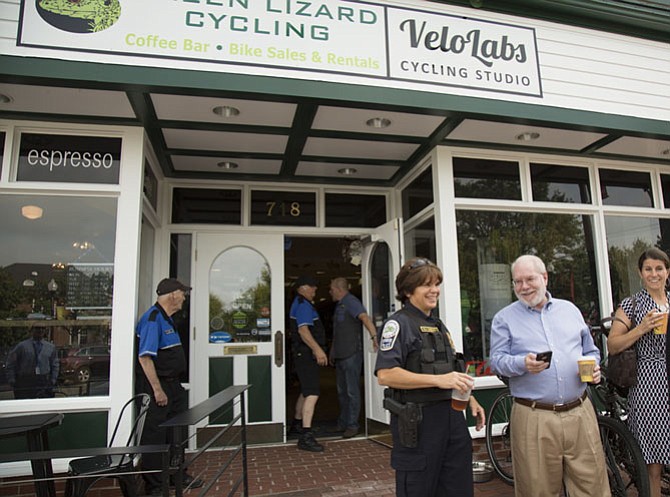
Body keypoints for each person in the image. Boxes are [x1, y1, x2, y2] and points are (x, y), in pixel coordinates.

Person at [489, 254, 610, 497]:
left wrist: (594, 367)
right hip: (534, 416)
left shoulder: (570, 310)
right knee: (538, 490)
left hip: (580, 412)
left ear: (544, 278)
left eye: (529, 279)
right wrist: (522, 363)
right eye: (517, 282)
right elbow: (497, 362)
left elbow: (590, 351)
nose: (524, 287)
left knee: (592, 486)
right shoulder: (504, 319)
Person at [374, 257, 485, 497]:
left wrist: (470, 398)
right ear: (406, 290)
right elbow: (385, 375)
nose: (435, 290)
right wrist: (439, 381)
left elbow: (450, 369)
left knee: (458, 488)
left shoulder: (438, 325)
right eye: (427, 285)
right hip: (419, 423)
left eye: (437, 284)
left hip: (452, 420)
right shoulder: (398, 325)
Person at [607, 247, 670, 497]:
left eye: (659, 268)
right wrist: (641, 328)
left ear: (667, 272)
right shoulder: (631, 305)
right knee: (652, 464)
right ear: (640, 273)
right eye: (648, 269)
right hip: (648, 384)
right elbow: (613, 345)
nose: (654, 274)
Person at [136, 278, 203, 496]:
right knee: (155, 436)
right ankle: (155, 485)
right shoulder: (153, 319)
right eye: (182, 293)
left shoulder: (168, 319)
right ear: (173, 294)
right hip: (159, 387)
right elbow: (145, 358)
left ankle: (177, 475)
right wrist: (157, 390)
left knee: (177, 433)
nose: (184, 297)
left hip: (174, 386)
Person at [328, 277, 378, 438]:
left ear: (338, 289)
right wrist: (332, 351)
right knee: (342, 392)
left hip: (351, 354)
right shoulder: (339, 305)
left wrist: (374, 337)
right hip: (341, 355)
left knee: (351, 391)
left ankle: (352, 425)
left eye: (331, 289)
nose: (330, 292)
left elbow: (364, 317)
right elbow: (338, 332)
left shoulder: (351, 301)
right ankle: (343, 422)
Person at [288, 275, 327, 452]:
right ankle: (306, 435)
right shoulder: (303, 305)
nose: (315, 290)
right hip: (305, 354)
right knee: (312, 392)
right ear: (302, 288)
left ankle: (297, 424)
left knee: (306, 390)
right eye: (312, 286)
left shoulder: (299, 303)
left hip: (300, 353)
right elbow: (303, 330)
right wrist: (318, 350)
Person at [6, 323, 59, 399]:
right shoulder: (22, 346)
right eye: (37, 328)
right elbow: (11, 363)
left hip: (43, 381)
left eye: (42, 328)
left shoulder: (50, 347)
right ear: (32, 330)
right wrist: (12, 379)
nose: (40, 330)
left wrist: (53, 380)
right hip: (25, 381)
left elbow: (55, 365)